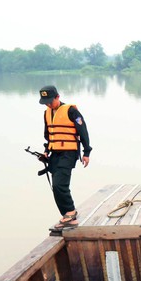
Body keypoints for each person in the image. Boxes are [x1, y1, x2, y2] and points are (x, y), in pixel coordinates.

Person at [38, 85, 92, 229]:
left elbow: (83, 131)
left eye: (50, 101)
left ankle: (70, 212)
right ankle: (68, 216)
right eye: (45, 102)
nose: (49, 104)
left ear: (58, 97)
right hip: (55, 154)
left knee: (59, 184)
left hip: (69, 153)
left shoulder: (71, 111)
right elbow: (48, 135)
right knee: (56, 186)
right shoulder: (47, 113)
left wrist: (86, 152)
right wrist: (46, 151)